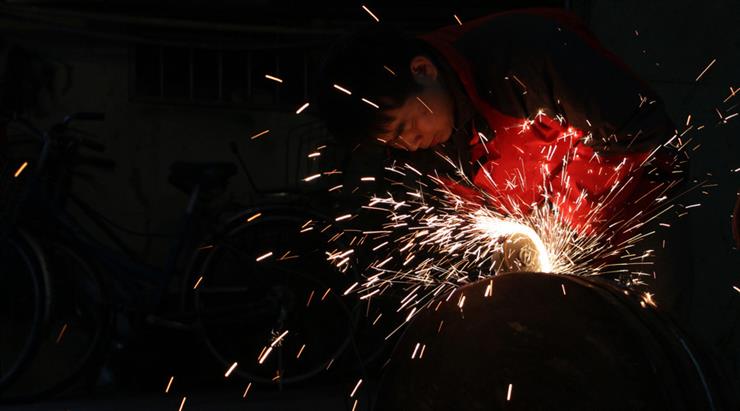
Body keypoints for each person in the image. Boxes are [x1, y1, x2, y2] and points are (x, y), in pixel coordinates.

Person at [316, 8, 691, 317]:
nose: (409, 143)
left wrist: (566, 226)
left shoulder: (523, 55)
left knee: (649, 335)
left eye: (405, 126)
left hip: (639, 203)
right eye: (394, 141)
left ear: (423, 70)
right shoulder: (417, 151)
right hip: (558, 242)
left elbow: (635, 128)